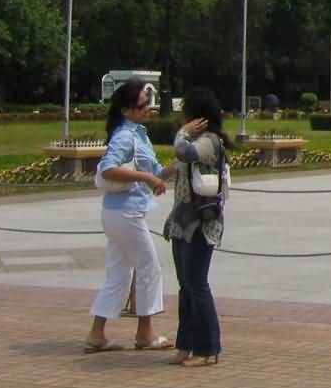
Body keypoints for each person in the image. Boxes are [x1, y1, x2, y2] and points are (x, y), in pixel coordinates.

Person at [85, 80, 170, 354]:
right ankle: (145, 333)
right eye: (142, 105)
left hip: (119, 212)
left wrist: (186, 158)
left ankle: (97, 334)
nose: (148, 108)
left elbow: (158, 171)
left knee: (119, 273)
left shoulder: (139, 135)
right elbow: (109, 169)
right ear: (126, 110)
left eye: (148, 103)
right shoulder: (124, 136)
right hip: (125, 212)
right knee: (149, 268)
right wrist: (145, 177)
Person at [163, 88, 233, 367]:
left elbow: (184, 152)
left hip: (201, 222)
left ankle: (208, 348)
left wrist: (182, 132)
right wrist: (150, 178)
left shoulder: (208, 141)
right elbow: (176, 166)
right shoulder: (198, 140)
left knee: (196, 284)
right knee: (185, 286)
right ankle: (186, 345)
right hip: (182, 222)